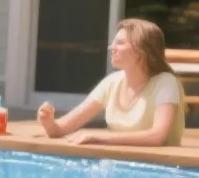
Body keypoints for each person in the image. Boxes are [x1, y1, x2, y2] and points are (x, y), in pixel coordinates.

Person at [37, 19, 187, 147]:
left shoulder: (165, 83)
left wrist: (99, 138)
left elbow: (156, 136)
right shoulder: (112, 82)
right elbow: (60, 129)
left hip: (163, 169)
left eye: (120, 43)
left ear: (142, 52)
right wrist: (49, 122)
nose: (111, 48)